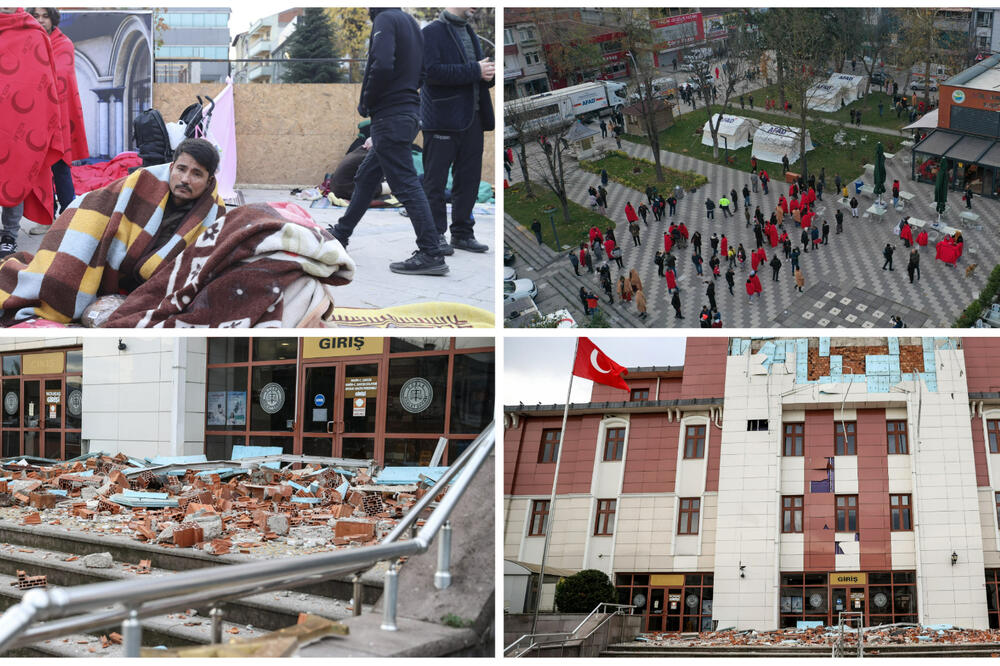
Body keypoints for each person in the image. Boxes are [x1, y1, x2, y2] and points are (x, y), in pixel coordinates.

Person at [0, 138, 227, 323]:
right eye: (181, 169)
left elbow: (199, 267)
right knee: (56, 286)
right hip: (106, 266)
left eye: (197, 174)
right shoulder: (143, 182)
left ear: (209, 181)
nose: (185, 179)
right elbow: (95, 205)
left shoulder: (214, 215)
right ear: (171, 167)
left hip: (150, 284)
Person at [329, 8, 447, 275]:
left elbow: (381, 64)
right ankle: (341, 232)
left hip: (390, 115)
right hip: (405, 113)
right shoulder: (412, 24)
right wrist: (404, 95)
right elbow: (424, 71)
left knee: (405, 184)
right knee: (366, 177)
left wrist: (368, 101)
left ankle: (431, 252)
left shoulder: (385, 19)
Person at [0, 8, 64, 257]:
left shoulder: (32, 32)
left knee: (15, 171)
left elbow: (43, 79)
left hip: (18, 120)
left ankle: (9, 233)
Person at [29, 8, 89, 233]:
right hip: (33, 117)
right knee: (38, 170)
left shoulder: (64, 44)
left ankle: (68, 217)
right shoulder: (26, 42)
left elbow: (61, 78)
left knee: (60, 167)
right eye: (36, 15)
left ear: (53, 19)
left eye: (45, 16)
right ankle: (45, 219)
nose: (40, 20)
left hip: (58, 117)